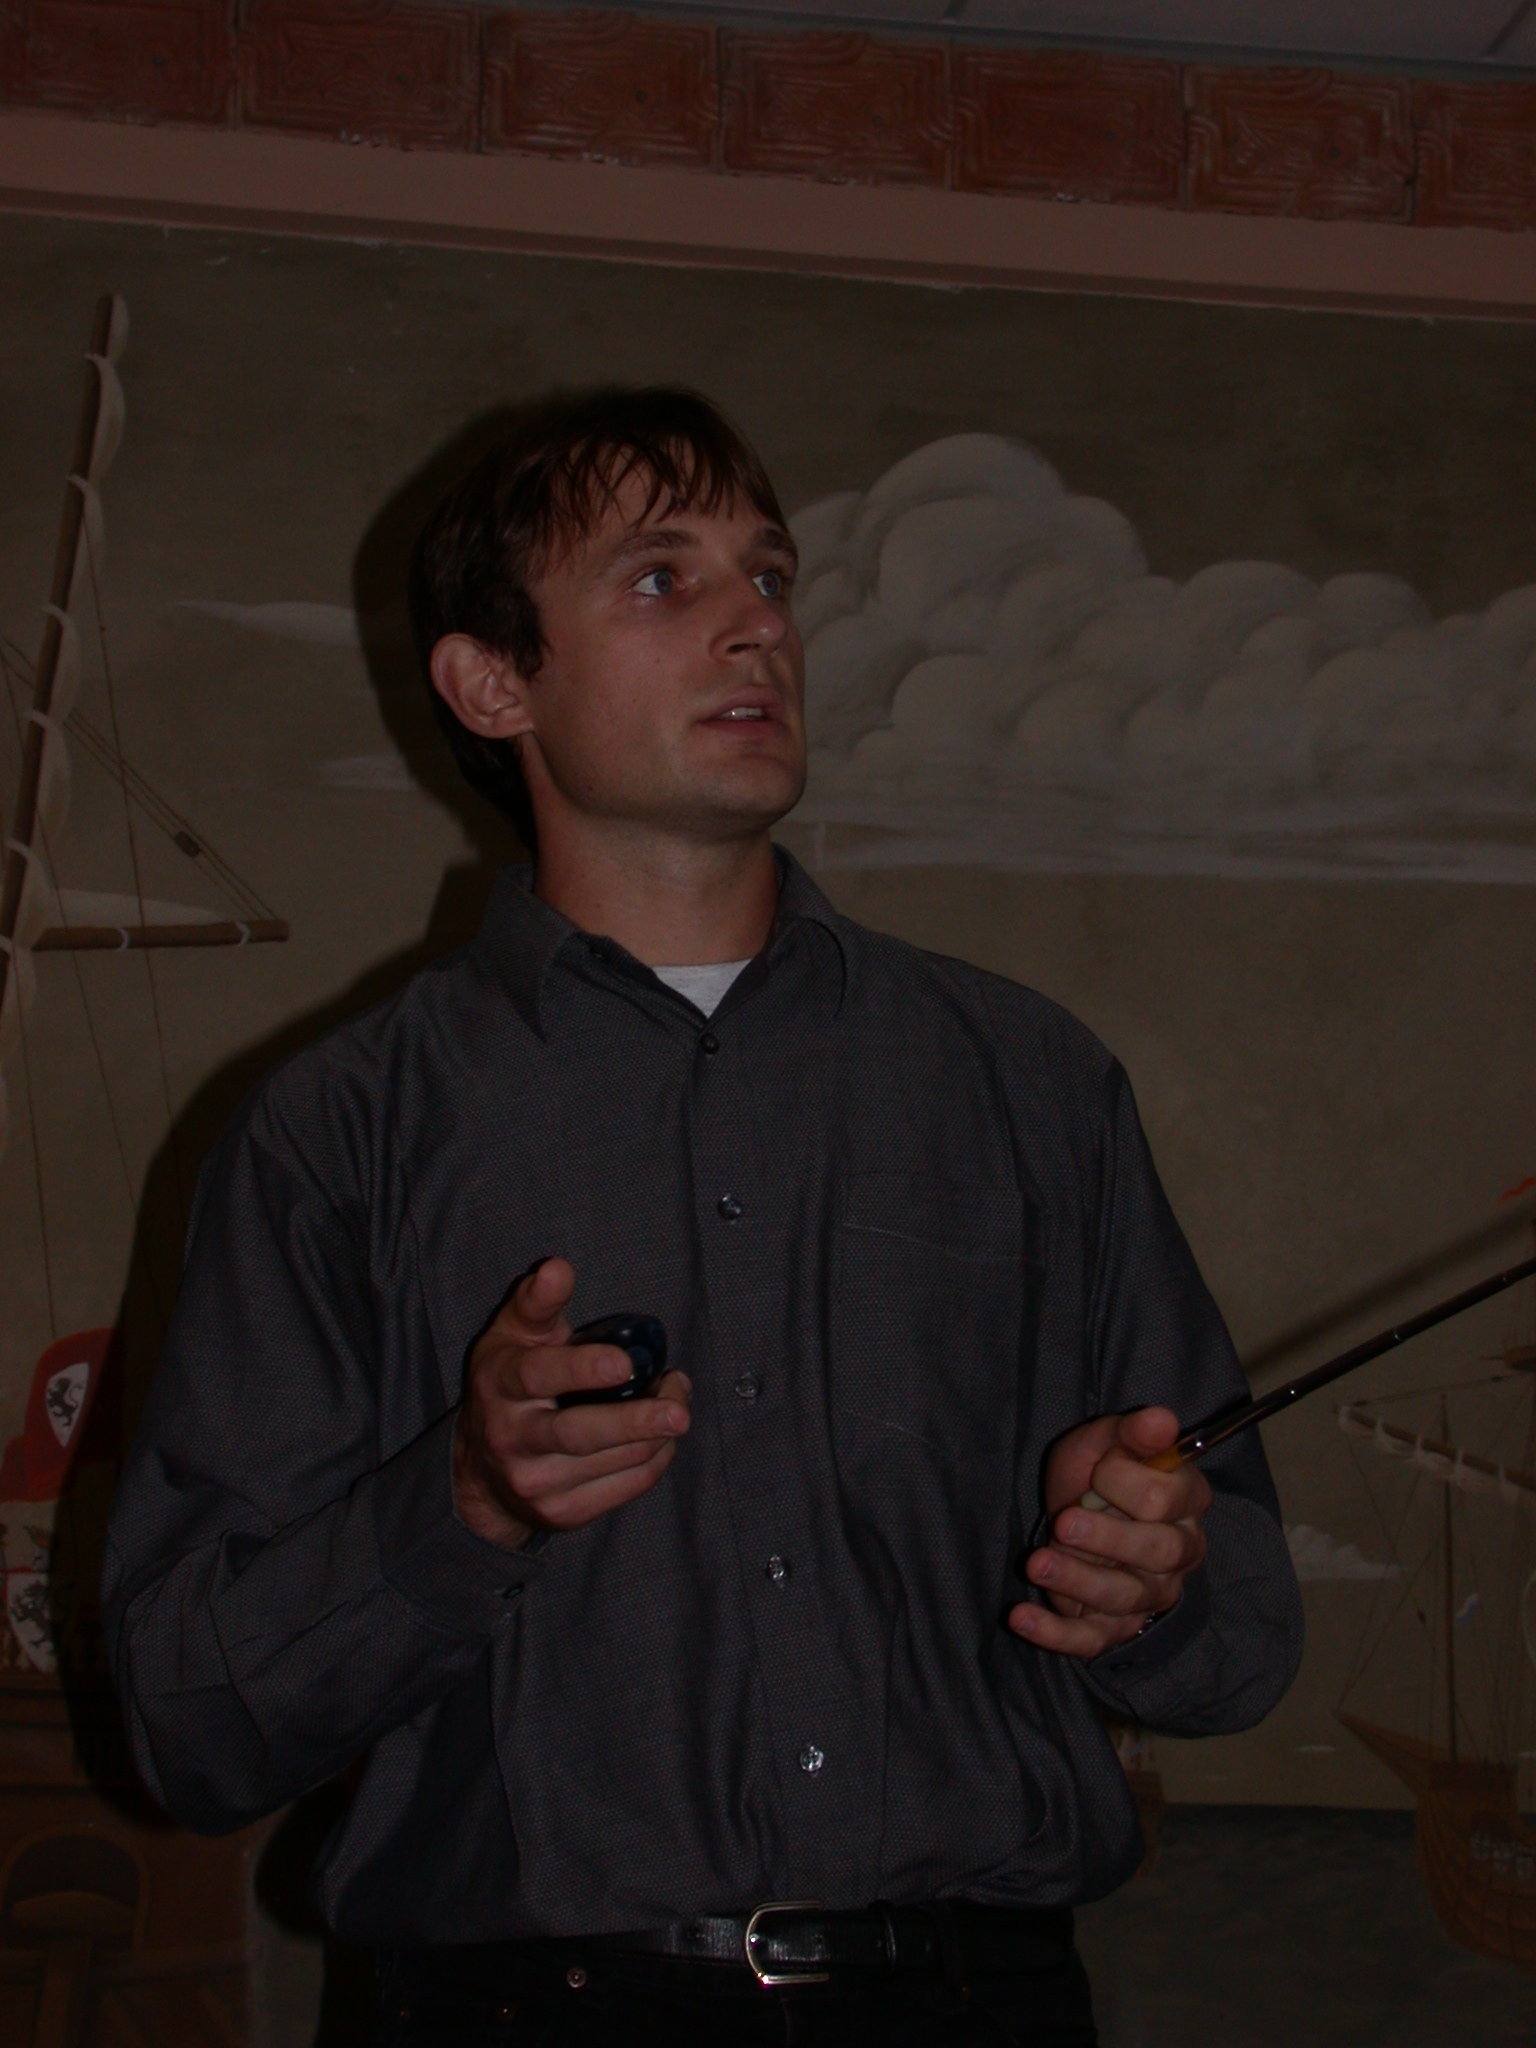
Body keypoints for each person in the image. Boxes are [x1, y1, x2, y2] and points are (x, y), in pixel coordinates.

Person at [104, 389, 1303, 2047]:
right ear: (492, 683)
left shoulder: (1032, 1085)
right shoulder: (335, 1135)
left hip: (982, 2002)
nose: (757, 624)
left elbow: (1247, 1639)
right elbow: (185, 1726)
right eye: (664, 579)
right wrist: (461, 1507)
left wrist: (1153, 1584)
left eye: (772, 577)